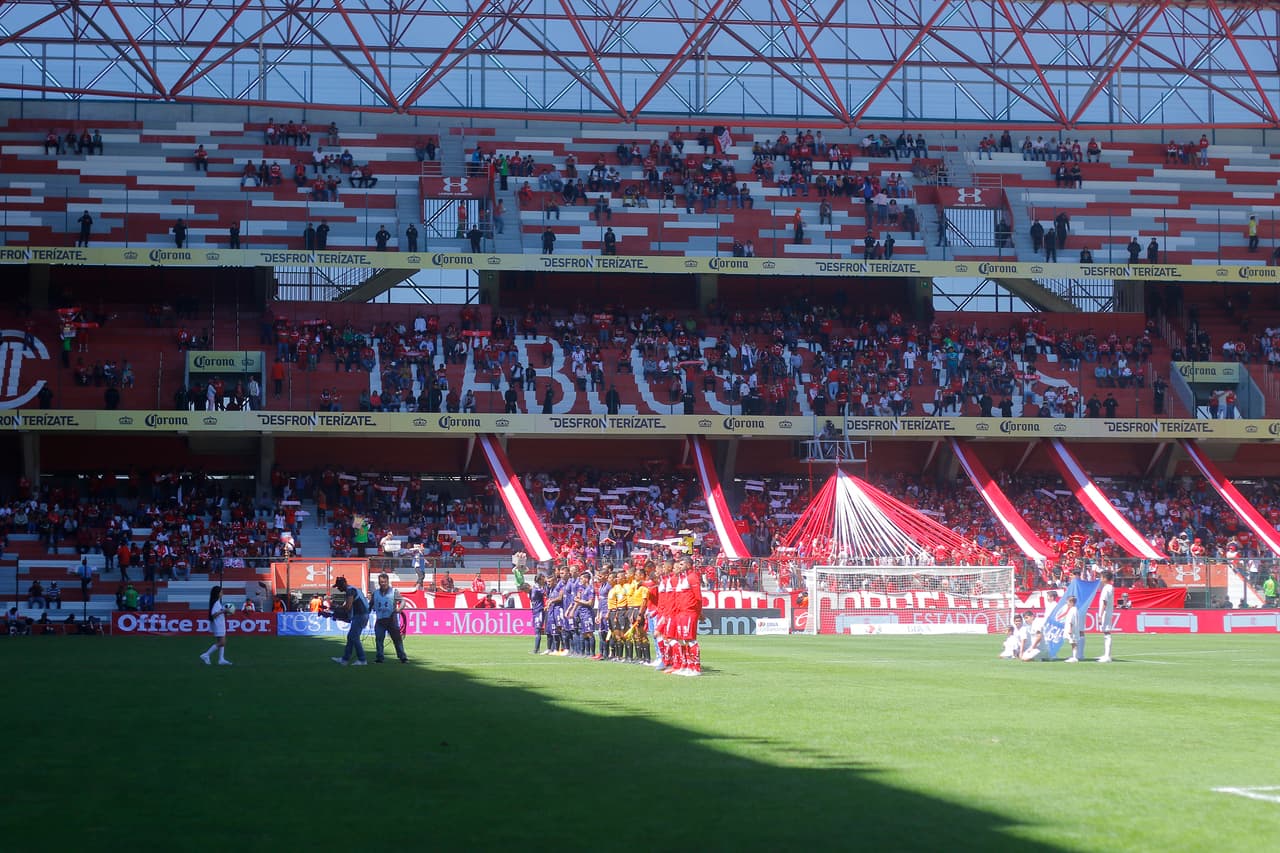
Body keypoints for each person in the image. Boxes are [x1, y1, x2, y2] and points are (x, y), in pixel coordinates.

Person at [331, 576, 369, 665]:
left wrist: (337, 607)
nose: (338, 588)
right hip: (361, 615)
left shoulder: (350, 591)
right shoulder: (353, 589)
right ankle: (345, 659)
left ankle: (362, 659)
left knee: (354, 637)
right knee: (351, 637)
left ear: (343, 584)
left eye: (339, 586)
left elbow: (348, 607)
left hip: (360, 615)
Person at [371, 572, 409, 664]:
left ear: (388, 582)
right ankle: (380, 658)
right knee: (379, 639)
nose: (383, 584)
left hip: (391, 620)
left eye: (384, 582)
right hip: (380, 620)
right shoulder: (375, 593)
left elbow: (402, 601)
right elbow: (370, 604)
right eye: (381, 582)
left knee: (397, 639)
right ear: (379, 582)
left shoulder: (394, 591)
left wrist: (399, 609)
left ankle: (403, 657)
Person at [199, 585, 232, 665]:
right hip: (218, 624)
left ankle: (221, 659)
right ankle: (206, 654)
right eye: (221, 592)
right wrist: (223, 611)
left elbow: (217, 613)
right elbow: (213, 615)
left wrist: (225, 612)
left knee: (221, 641)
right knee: (222, 642)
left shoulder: (216, 602)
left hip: (219, 623)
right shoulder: (216, 603)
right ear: (217, 593)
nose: (222, 593)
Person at [1096, 570, 1116, 662]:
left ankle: (1107, 656)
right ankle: (1106, 654)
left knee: (1107, 633)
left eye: (1101, 577)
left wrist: (1100, 615)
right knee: (1106, 632)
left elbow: (1104, 602)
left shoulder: (1107, 588)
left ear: (1105, 578)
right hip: (1107, 612)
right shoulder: (1109, 587)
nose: (1100, 579)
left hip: (1105, 613)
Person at [1061, 596, 1081, 662]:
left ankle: (1074, 657)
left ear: (1072, 602)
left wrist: (1070, 629)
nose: (1067, 603)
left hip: (1072, 629)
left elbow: (1071, 621)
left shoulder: (1073, 610)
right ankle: (1073, 655)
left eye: (1068, 602)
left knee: (1073, 643)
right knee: (1072, 643)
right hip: (1073, 629)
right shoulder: (1074, 609)